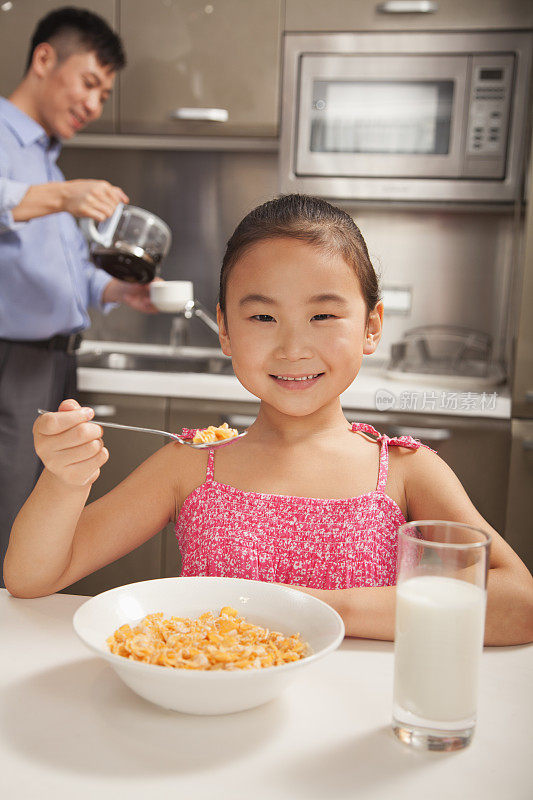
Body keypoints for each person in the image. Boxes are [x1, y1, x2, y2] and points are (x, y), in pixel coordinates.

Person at [4, 195, 533, 645]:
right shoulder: (188, 467)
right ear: (226, 330)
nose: (293, 347)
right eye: (262, 317)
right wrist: (66, 478)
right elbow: (31, 578)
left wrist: (327, 612)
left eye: (323, 315)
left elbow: (518, 601)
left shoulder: (407, 472)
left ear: (372, 326)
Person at [0, 7, 159, 582]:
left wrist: (119, 290)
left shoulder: (44, 159)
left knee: (42, 515)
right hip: (12, 364)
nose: (95, 105)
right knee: (12, 516)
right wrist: (63, 195)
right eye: (90, 83)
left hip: (53, 364)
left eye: (104, 93)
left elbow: (66, 267)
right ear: (44, 59)